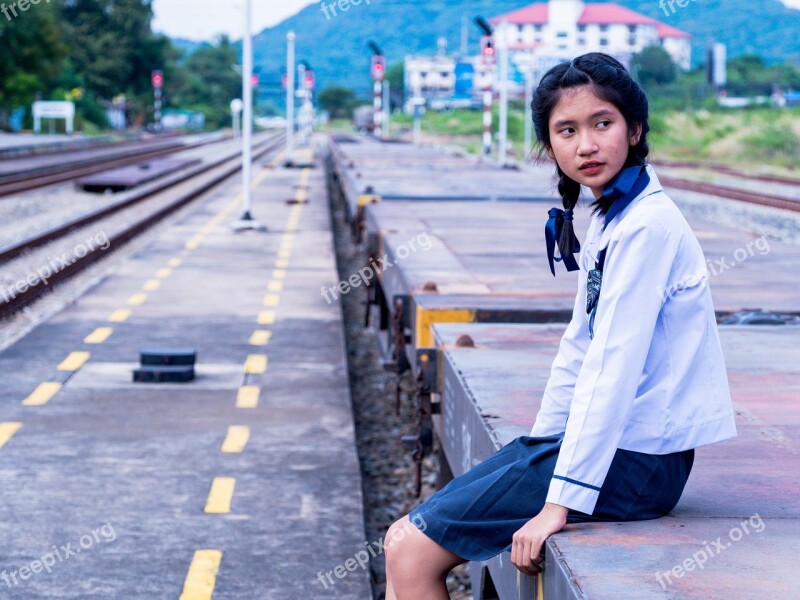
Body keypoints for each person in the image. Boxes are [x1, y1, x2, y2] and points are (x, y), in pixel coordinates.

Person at [382, 52, 738, 600]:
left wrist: (558, 503)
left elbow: (611, 367)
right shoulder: (611, 215)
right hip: (621, 452)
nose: (586, 145)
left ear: (635, 129)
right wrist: (541, 444)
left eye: (603, 124)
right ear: (550, 147)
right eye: (567, 131)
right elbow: (579, 345)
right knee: (404, 537)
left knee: (407, 548)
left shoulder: (646, 226)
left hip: (639, 462)